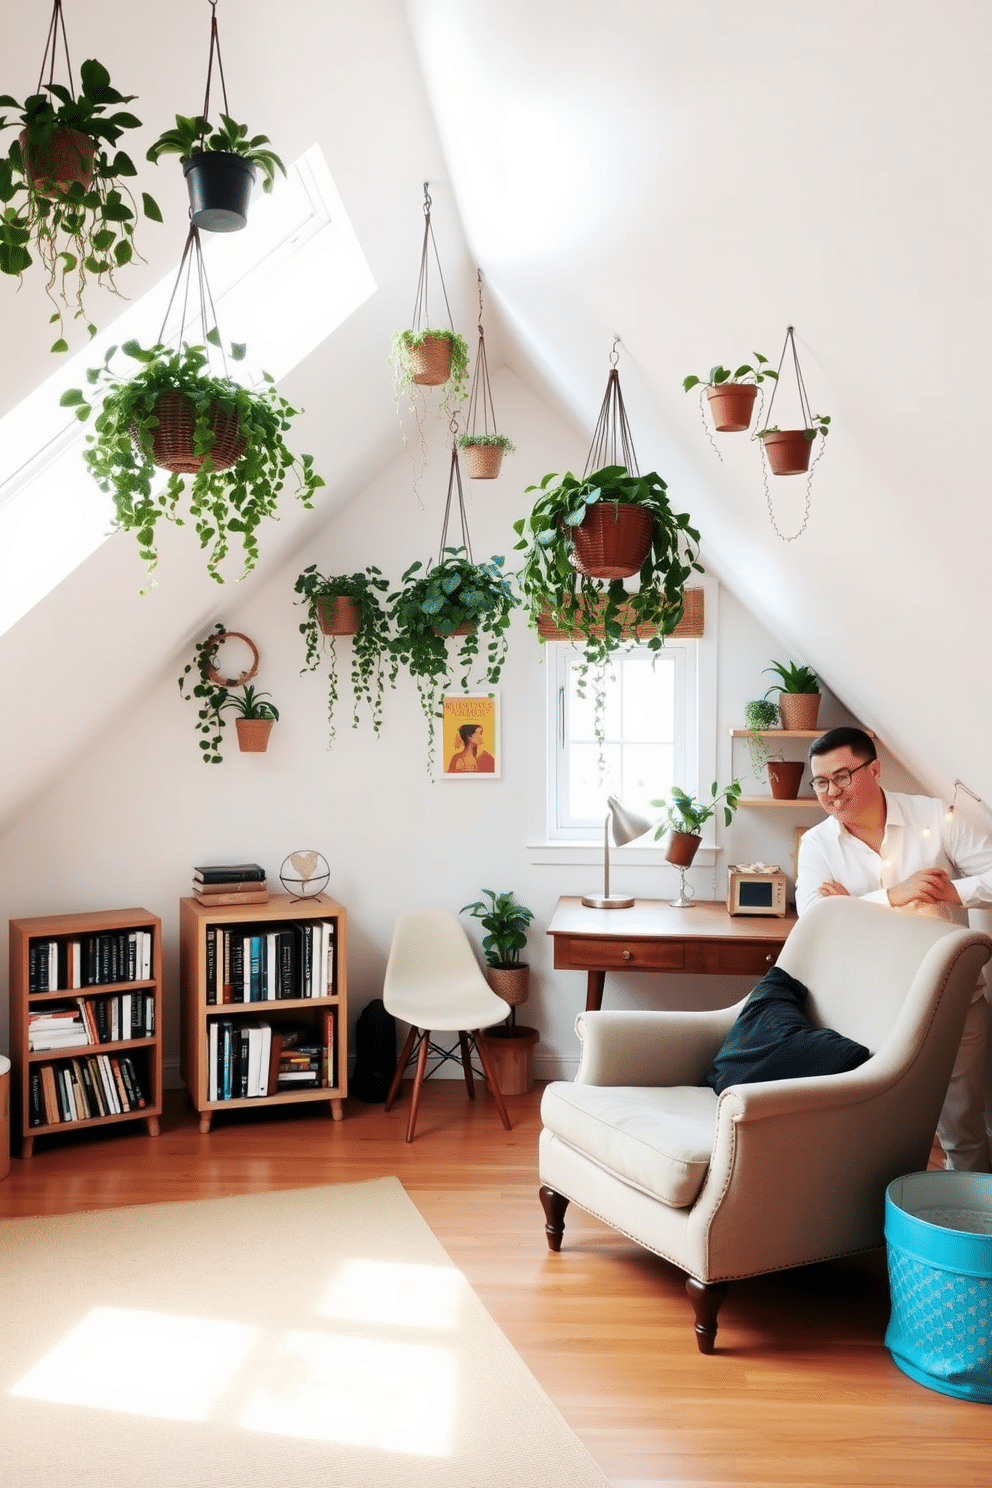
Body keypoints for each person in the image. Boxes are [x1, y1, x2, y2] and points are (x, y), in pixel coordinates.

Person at [795, 726, 992, 1172]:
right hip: (870, 1007)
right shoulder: (818, 844)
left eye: (841, 776)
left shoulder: (937, 816)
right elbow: (815, 919)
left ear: (875, 769)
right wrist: (895, 895)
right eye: (820, 782)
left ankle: (970, 1234)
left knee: (963, 1129)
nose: (831, 792)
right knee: (873, 1130)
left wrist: (952, 892)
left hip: (955, 998)